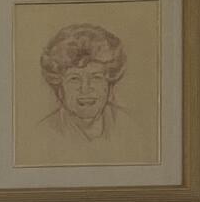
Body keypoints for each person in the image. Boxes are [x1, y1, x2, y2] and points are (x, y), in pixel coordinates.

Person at [37, 20, 132, 148]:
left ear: (109, 84)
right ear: (60, 88)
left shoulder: (130, 126)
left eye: (96, 78)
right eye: (74, 79)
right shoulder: (42, 133)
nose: (85, 89)